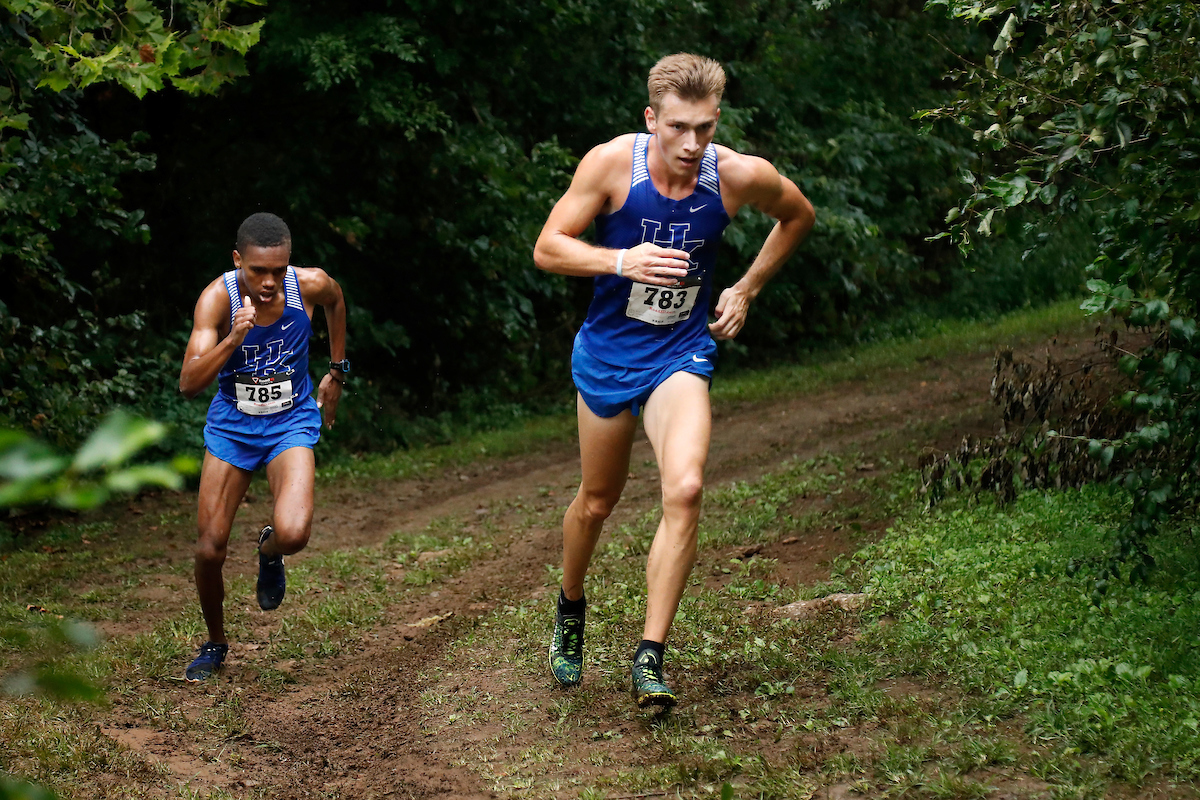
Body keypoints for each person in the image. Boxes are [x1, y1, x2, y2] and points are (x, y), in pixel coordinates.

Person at [533, 53, 815, 708]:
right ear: (650, 119)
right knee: (597, 501)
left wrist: (746, 287)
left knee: (684, 489)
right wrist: (620, 260)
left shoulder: (736, 175)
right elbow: (547, 247)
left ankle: (649, 656)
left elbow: (798, 215)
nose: (692, 144)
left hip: (679, 354)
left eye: (705, 128)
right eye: (678, 127)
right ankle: (571, 604)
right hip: (608, 355)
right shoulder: (611, 165)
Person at [178, 212, 349, 682]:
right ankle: (215, 642)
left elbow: (336, 301)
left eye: (278, 270)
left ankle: (269, 551)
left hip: (290, 422)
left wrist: (337, 371)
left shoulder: (309, 285)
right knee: (210, 549)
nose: (269, 282)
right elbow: (188, 383)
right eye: (258, 271)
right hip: (232, 428)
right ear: (238, 260)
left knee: (293, 534)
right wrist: (234, 337)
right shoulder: (217, 299)